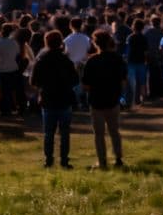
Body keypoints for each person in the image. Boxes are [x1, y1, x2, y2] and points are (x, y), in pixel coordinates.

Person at [30, 30, 78, 169]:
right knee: (64, 133)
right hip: (64, 98)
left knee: (48, 133)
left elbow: (34, 81)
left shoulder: (41, 60)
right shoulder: (66, 60)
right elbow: (75, 80)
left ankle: (48, 159)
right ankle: (64, 160)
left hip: (48, 98)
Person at [82, 29, 128, 170]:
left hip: (96, 101)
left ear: (95, 44)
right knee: (115, 131)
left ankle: (102, 162)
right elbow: (123, 81)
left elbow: (85, 85)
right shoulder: (117, 59)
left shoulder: (92, 61)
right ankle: (118, 158)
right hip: (113, 99)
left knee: (99, 134)